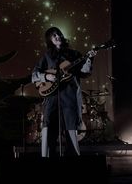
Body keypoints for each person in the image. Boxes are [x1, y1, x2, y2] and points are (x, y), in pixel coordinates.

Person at [32, 27, 96, 157]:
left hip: (69, 97)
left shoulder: (74, 54)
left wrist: (89, 59)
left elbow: (85, 72)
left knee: (71, 130)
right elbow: (34, 75)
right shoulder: (47, 56)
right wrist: (46, 77)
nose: (57, 36)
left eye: (59, 34)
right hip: (52, 99)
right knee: (49, 129)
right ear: (50, 40)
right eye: (53, 35)